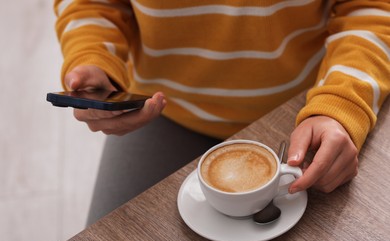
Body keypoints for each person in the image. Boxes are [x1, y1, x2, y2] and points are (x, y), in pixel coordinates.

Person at [53, 0, 390, 225]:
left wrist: (341, 106)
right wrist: (93, 53)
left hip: (304, 109)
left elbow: (372, 8)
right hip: (165, 113)